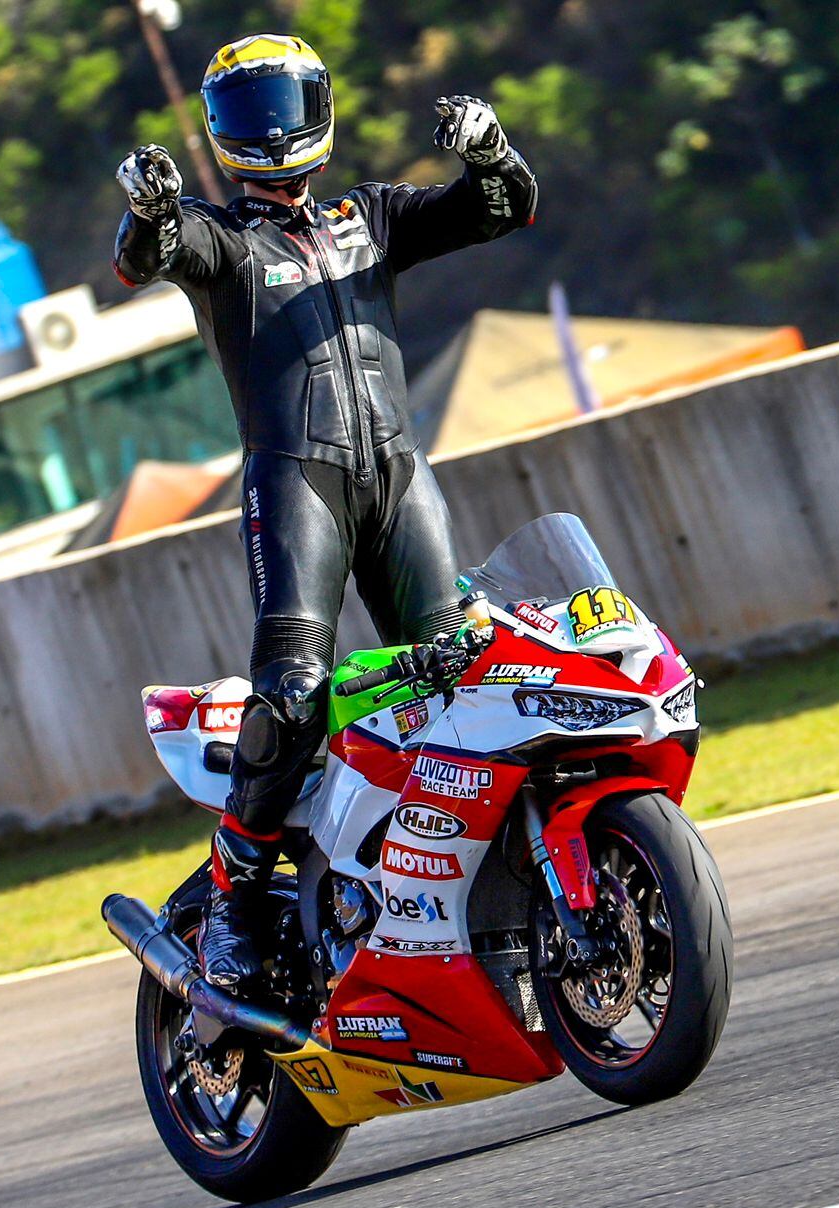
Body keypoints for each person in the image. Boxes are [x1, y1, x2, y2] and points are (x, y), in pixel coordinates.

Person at [114, 33, 537, 990]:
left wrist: (490, 152)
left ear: (321, 110)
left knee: (468, 673)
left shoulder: (373, 216)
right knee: (296, 693)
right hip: (296, 486)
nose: (272, 127)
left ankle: (474, 884)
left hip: (399, 476)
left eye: (286, 103)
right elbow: (150, 254)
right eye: (251, 112)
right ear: (223, 135)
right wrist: (146, 210)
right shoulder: (221, 239)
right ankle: (234, 904)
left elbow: (500, 210)